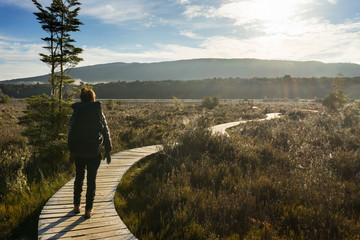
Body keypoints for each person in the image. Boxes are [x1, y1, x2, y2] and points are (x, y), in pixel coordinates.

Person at [68, 87, 112, 218]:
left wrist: (71, 151)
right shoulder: (98, 111)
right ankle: (88, 210)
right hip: (94, 151)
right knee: (91, 180)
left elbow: (71, 132)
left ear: (82, 99)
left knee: (79, 178)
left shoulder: (76, 111)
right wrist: (108, 150)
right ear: (93, 99)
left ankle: (76, 206)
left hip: (78, 151)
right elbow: (106, 131)